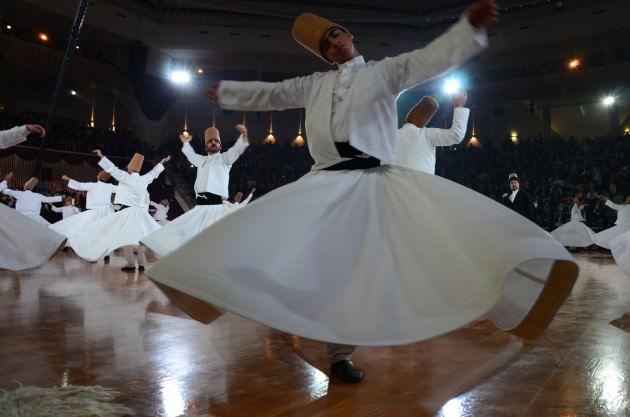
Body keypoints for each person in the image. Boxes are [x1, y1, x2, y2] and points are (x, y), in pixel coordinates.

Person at [148, 0, 577, 385]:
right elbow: (273, 94)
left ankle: (340, 353)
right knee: (277, 238)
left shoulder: (383, 72)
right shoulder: (314, 84)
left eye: (337, 34)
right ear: (322, 54)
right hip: (324, 180)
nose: (334, 44)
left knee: (355, 267)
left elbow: (429, 60)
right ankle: (246, 296)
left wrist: (467, 28)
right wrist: (228, 92)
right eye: (326, 43)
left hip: (373, 183)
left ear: (351, 36)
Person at [141, 125, 249, 257]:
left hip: (216, 207)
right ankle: (157, 246)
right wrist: (186, 143)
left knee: (217, 239)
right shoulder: (202, 160)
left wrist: (243, 136)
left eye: (216, 141)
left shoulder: (225, 159)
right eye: (210, 141)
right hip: (201, 207)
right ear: (206, 146)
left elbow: (236, 151)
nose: (213, 143)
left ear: (220, 146)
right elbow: (191, 155)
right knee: (184, 231)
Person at [68, 151, 170, 271]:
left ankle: (131, 264)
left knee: (125, 238)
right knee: (142, 239)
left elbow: (112, 169)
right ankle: (141, 264)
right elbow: (154, 173)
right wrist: (162, 162)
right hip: (141, 214)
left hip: (129, 213)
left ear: (130, 169)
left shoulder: (126, 177)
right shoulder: (144, 179)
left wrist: (101, 156)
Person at [0, 122, 66, 269]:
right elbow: (50, 199)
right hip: (31, 219)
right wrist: (62, 198)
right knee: (45, 233)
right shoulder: (36, 196)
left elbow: (4, 191)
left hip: (20, 218)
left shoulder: (20, 193)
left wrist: (6, 181)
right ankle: (48, 246)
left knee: (15, 237)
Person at [395, 92, 469, 174]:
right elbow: (456, 135)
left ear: (407, 118)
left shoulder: (392, 136)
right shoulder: (426, 134)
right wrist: (459, 105)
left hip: (391, 185)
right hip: (422, 185)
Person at [50, 172, 117, 256]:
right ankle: (106, 253)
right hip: (107, 212)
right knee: (105, 233)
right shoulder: (110, 186)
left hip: (95, 212)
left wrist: (67, 179)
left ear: (98, 177)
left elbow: (79, 185)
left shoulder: (92, 185)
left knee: (91, 232)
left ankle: (93, 252)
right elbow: (121, 190)